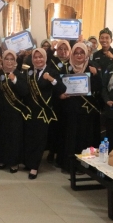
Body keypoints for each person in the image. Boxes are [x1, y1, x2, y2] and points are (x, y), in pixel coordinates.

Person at [24, 48, 66, 179]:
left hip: (43, 112)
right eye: (35, 57)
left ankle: (35, 167)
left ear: (45, 58)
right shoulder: (30, 72)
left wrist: (51, 79)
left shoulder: (52, 72)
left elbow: (62, 88)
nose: (38, 60)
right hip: (31, 110)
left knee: (40, 139)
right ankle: (29, 162)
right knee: (30, 138)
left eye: (40, 57)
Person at [59, 43, 102, 171]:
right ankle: (69, 165)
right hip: (71, 109)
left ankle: (83, 166)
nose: (79, 55)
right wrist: (61, 95)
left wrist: (95, 75)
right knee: (71, 137)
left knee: (84, 138)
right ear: (72, 54)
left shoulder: (92, 68)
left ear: (86, 54)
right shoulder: (66, 68)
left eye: (81, 53)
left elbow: (99, 87)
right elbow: (59, 87)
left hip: (86, 110)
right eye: (76, 53)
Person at [0, 50, 30, 173]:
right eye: (7, 59)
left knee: (14, 138)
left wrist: (14, 80)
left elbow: (24, 91)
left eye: (11, 59)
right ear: (2, 60)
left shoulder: (19, 74)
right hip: (1, 111)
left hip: (15, 112)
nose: (9, 62)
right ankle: (2, 159)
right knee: (1, 136)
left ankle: (14, 162)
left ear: (15, 61)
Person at [46, 39, 70, 167]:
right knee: (55, 127)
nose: (63, 51)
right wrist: (51, 48)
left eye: (65, 49)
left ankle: (62, 153)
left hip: (70, 100)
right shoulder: (52, 63)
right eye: (60, 49)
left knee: (65, 128)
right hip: (56, 99)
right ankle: (52, 151)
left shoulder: (74, 63)